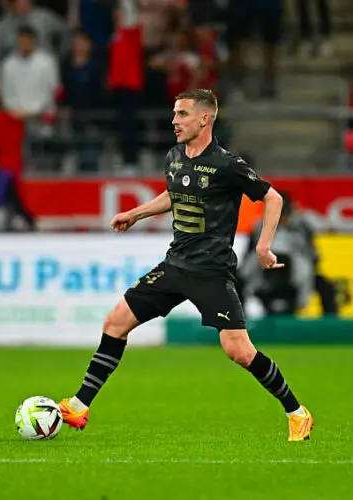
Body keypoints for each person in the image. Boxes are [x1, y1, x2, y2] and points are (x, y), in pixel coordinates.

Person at [55, 89, 314, 442]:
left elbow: (273, 197)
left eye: (181, 114)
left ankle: (297, 413)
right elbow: (173, 194)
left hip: (211, 271)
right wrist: (136, 213)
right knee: (116, 321)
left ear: (204, 119)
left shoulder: (227, 164)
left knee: (238, 351)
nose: (174, 121)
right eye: (174, 114)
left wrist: (264, 247)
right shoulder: (175, 156)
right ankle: (80, 405)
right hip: (175, 265)